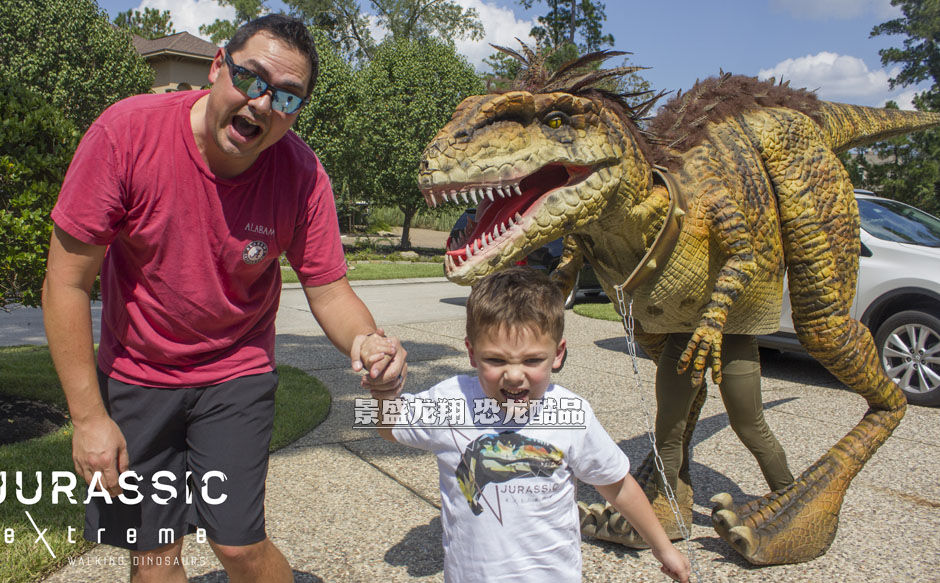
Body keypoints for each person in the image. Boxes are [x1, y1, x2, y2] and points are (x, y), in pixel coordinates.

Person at [42, 14, 404, 583]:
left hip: (236, 372)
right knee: (156, 557)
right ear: (217, 66)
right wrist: (87, 417)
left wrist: (368, 341)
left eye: (287, 96)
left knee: (237, 545)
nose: (263, 104)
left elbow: (329, 288)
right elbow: (65, 282)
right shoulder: (125, 134)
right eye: (251, 79)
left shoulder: (303, 176)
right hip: (138, 374)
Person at [369, 267, 690, 583]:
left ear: (557, 355)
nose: (513, 374)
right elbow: (388, 425)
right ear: (471, 353)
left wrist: (662, 548)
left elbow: (617, 485)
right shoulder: (451, 402)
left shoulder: (570, 414)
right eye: (495, 360)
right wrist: (384, 389)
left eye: (532, 360)